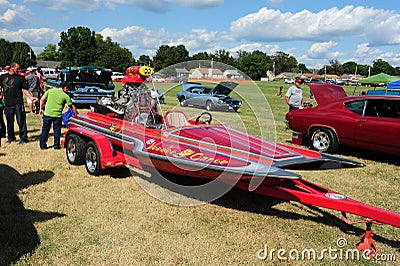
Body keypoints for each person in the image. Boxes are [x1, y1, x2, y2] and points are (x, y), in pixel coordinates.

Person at [0, 62, 38, 144]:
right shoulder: (3, 77)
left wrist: (31, 98)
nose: (19, 70)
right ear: (12, 67)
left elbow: (25, 90)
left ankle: (23, 138)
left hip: (18, 103)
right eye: (18, 68)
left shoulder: (21, 78)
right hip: (7, 103)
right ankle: (11, 138)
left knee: (21, 121)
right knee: (9, 121)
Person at [39, 82, 78, 150]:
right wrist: (77, 115)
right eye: (68, 89)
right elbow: (71, 106)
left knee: (45, 130)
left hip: (47, 114)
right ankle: (56, 146)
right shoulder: (65, 96)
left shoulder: (50, 91)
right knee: (57, 131)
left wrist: (41, 109)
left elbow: (42, 99)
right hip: (57, 115)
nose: (68, 91)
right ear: (65, 88)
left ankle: (42, 145)